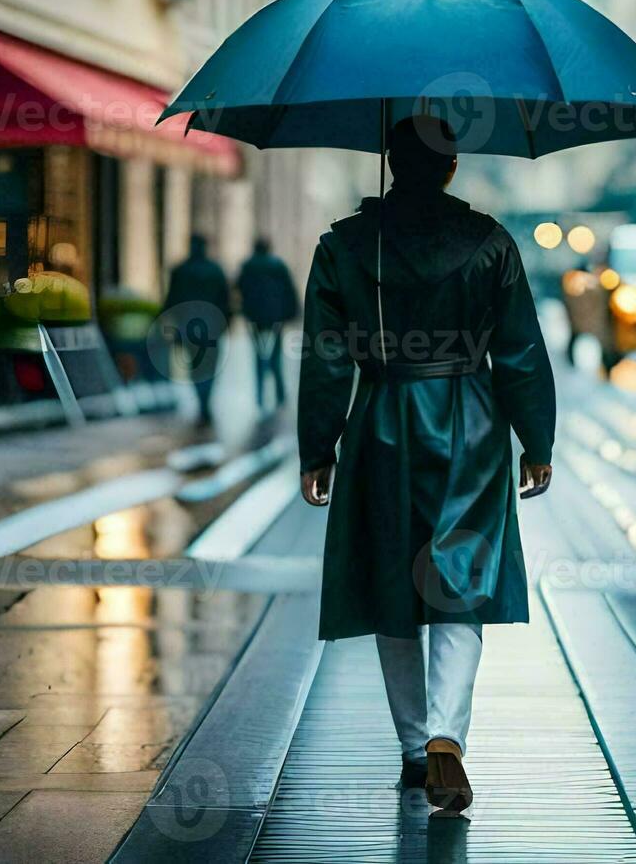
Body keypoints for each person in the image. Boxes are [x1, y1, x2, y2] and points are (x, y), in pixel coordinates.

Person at [298, 115, 555, 815]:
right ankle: (447, 733)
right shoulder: (490, 243)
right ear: (451, 168)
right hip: (470, 419)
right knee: (458, 580)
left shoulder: (346, 248)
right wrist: (537, 440)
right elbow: (522, 351)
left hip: (381, 416)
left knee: (392, 580)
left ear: (389, 161)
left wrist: (318, 447)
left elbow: (325, 357)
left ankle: (415, 748)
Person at [162, 235, 231, 426]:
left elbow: (171, 300)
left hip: (188, 327)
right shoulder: (215, 270)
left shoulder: (180, 270)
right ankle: (205, 402)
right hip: (211, 327)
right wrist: (225, 324)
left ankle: (203, 403)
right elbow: (225, 301)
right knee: (209, 367)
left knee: (195, 367)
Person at [237, 237, 300, 412]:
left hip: (255, 318)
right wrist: (291, 313)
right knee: (275, 356)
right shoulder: (278, 265)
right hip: (275, 317)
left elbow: (240, 290)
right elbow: (289, 291)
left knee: (258, 357)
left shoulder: (247, 266)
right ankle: (280, 395)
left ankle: (260, 397)